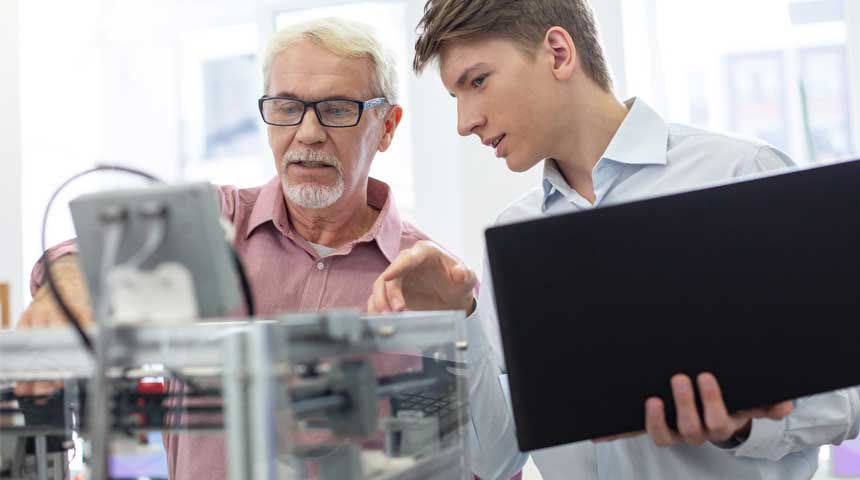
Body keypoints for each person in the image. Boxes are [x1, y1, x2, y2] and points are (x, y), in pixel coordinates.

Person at [367, 1, 860, 479]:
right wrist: (459, 318)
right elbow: (497, 459)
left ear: (559, 53)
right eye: (456, 97)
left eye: (477, 81)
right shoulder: (513, 237)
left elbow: (849, 395)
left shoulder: (739, 173)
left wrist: (744, 425)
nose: (464, 122)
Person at [17, 17, 502, 480]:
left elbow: (493, 461)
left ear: (388, 127)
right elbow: (84, 255)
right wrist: (77, 282)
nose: (308, 133)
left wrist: (462, 316)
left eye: (336, 109)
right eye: (287, 108)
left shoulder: (433, 281)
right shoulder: (212, 226)